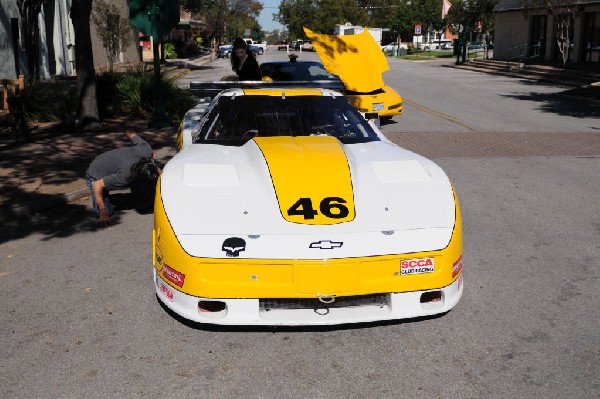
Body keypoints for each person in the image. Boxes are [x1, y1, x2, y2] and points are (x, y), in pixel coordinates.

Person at [85, 130, 160, 225]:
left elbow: (131, 133)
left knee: (152, 175)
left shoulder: (146, 149)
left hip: (114, 164)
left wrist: (126, 130)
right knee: (106, 212)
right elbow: (97, 184)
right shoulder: (124, 176)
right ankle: (109, 200)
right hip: (95, 174)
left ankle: (138, 196)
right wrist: (102, 211)